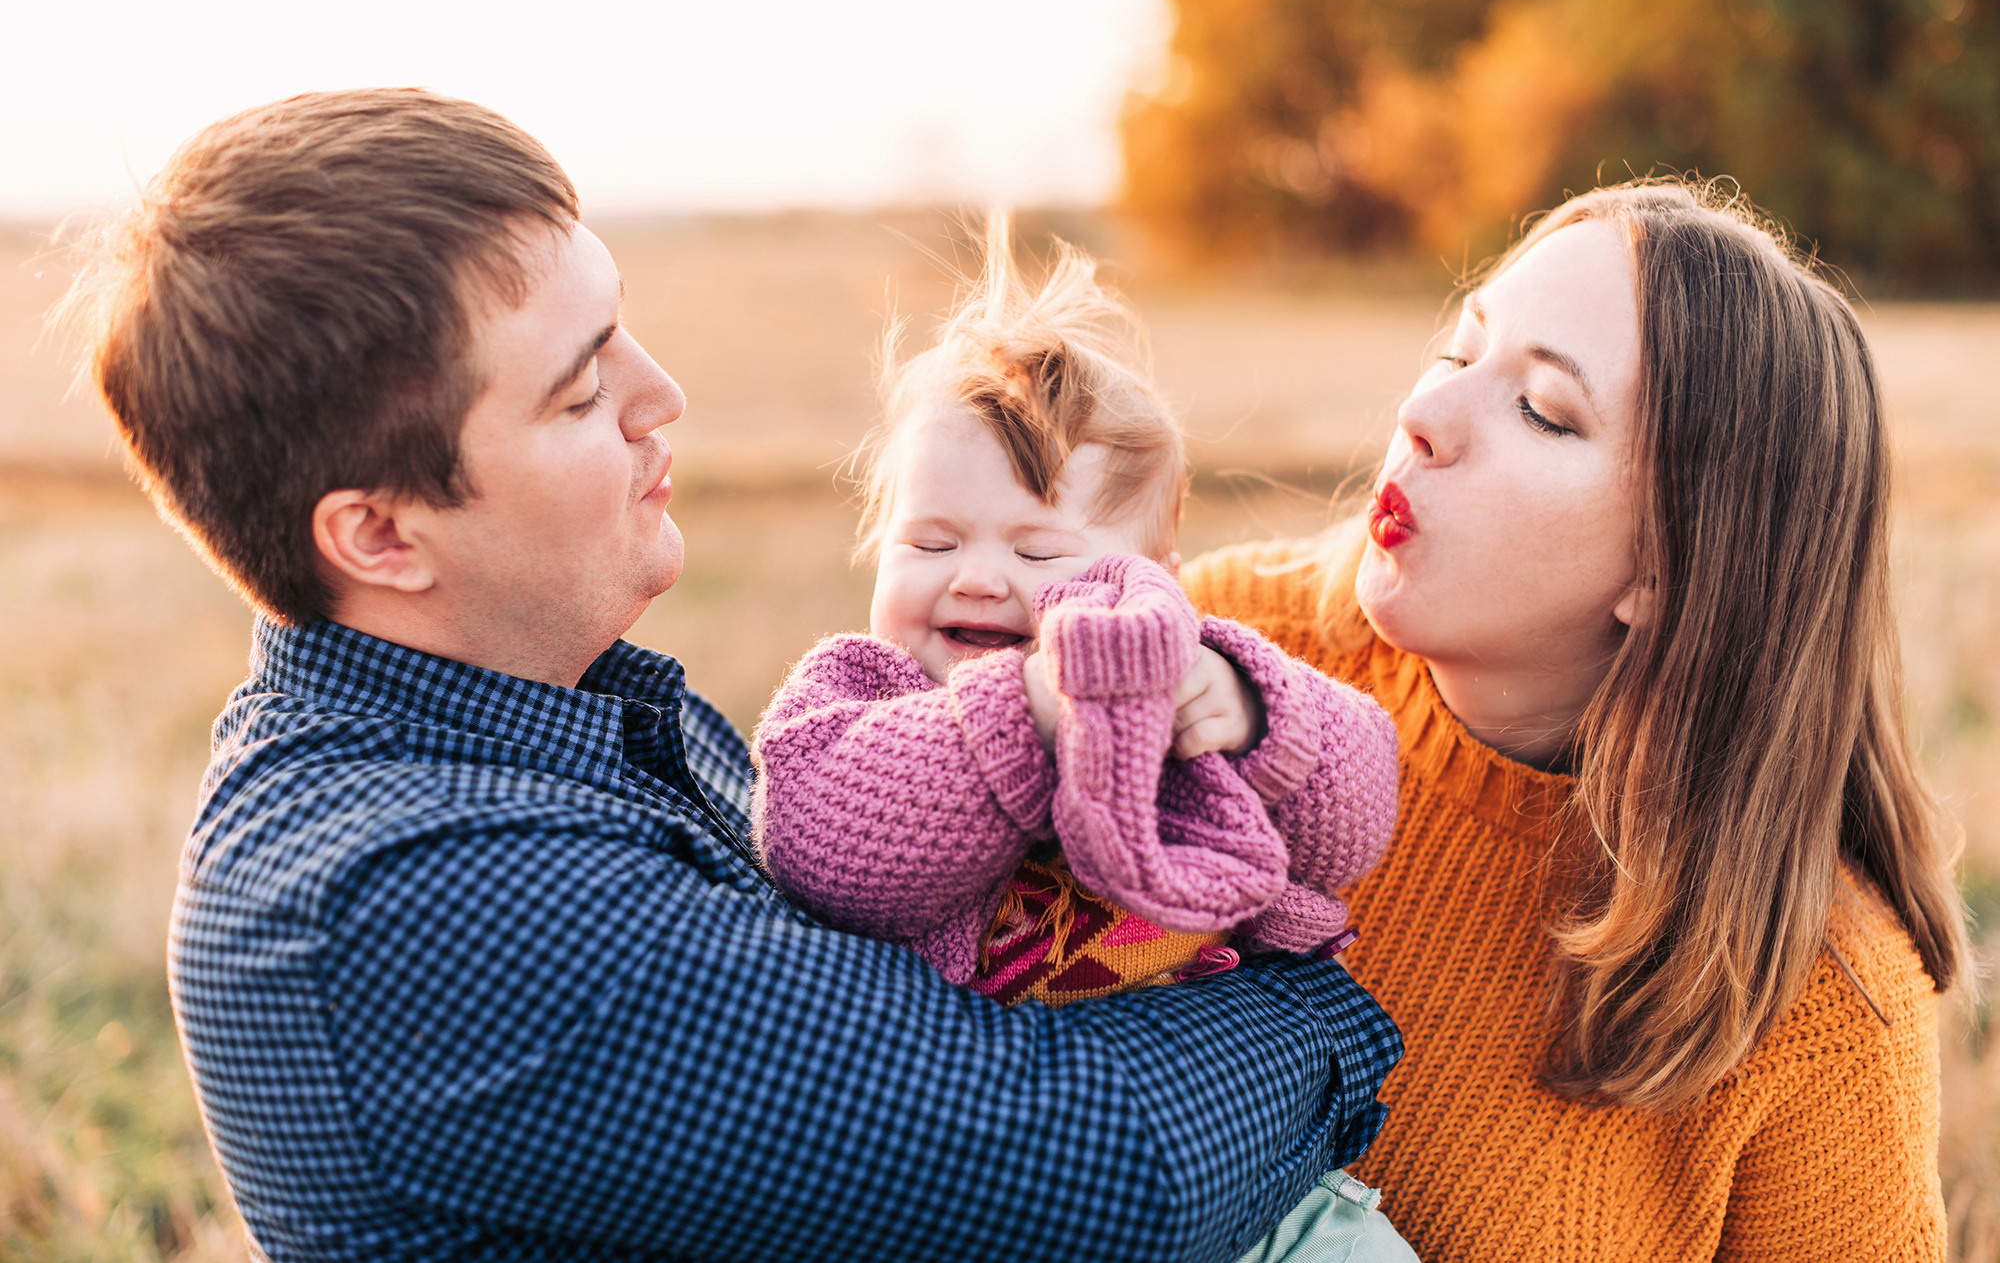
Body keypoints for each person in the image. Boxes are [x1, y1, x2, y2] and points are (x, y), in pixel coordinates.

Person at [62, 88, 1401, 1263]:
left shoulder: (559, 711)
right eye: (579, 393)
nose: (661, 395)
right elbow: (1106, 1176)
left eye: (621, 332)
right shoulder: (422, 898)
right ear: (380, 534)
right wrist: (1324, 1006)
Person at [1182, 180, 1972, 1262]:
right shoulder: (1223, 651)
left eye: (1542, 410)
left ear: (1670, 568)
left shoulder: (1822, 1005)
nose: (1423, 416)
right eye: (1459, 351)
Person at [750, 219, 1418, 1261]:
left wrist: (1253, 714)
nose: (978, 577)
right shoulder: (862, 692)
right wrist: (1030, 709)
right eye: (929, 541)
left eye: (1039, 553)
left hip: (1264, 1196)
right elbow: (826, 848)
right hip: (1007, 1176)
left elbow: (1356, 819)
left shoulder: (1197, 685)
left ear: (1158, 584)